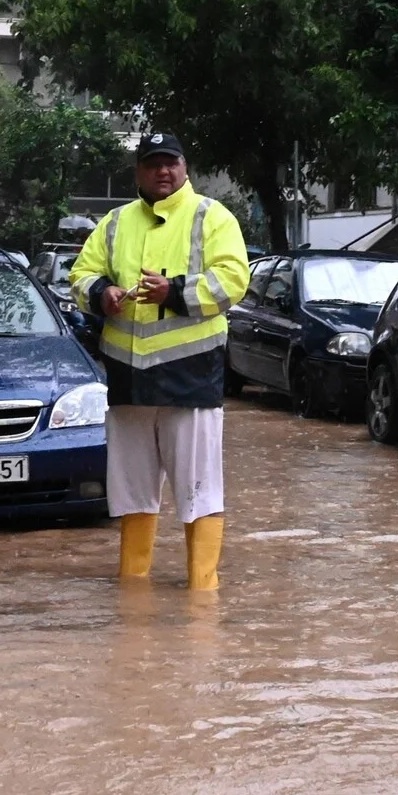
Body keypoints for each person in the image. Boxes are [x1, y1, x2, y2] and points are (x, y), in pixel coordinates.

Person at [68, 133, 251, 590]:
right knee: (131, 492)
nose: (162, 172)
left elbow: (233, 281)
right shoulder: (113, 223)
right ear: (139, 172)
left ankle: (202, 592)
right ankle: (133, 589)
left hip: (190, 380)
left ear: (185, 167)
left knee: (199, 492)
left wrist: (175, 292)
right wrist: (99, 293)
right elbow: (81, 274)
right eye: (153, 164)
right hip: (129, 382)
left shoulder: (212, 216)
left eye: (170, 163)